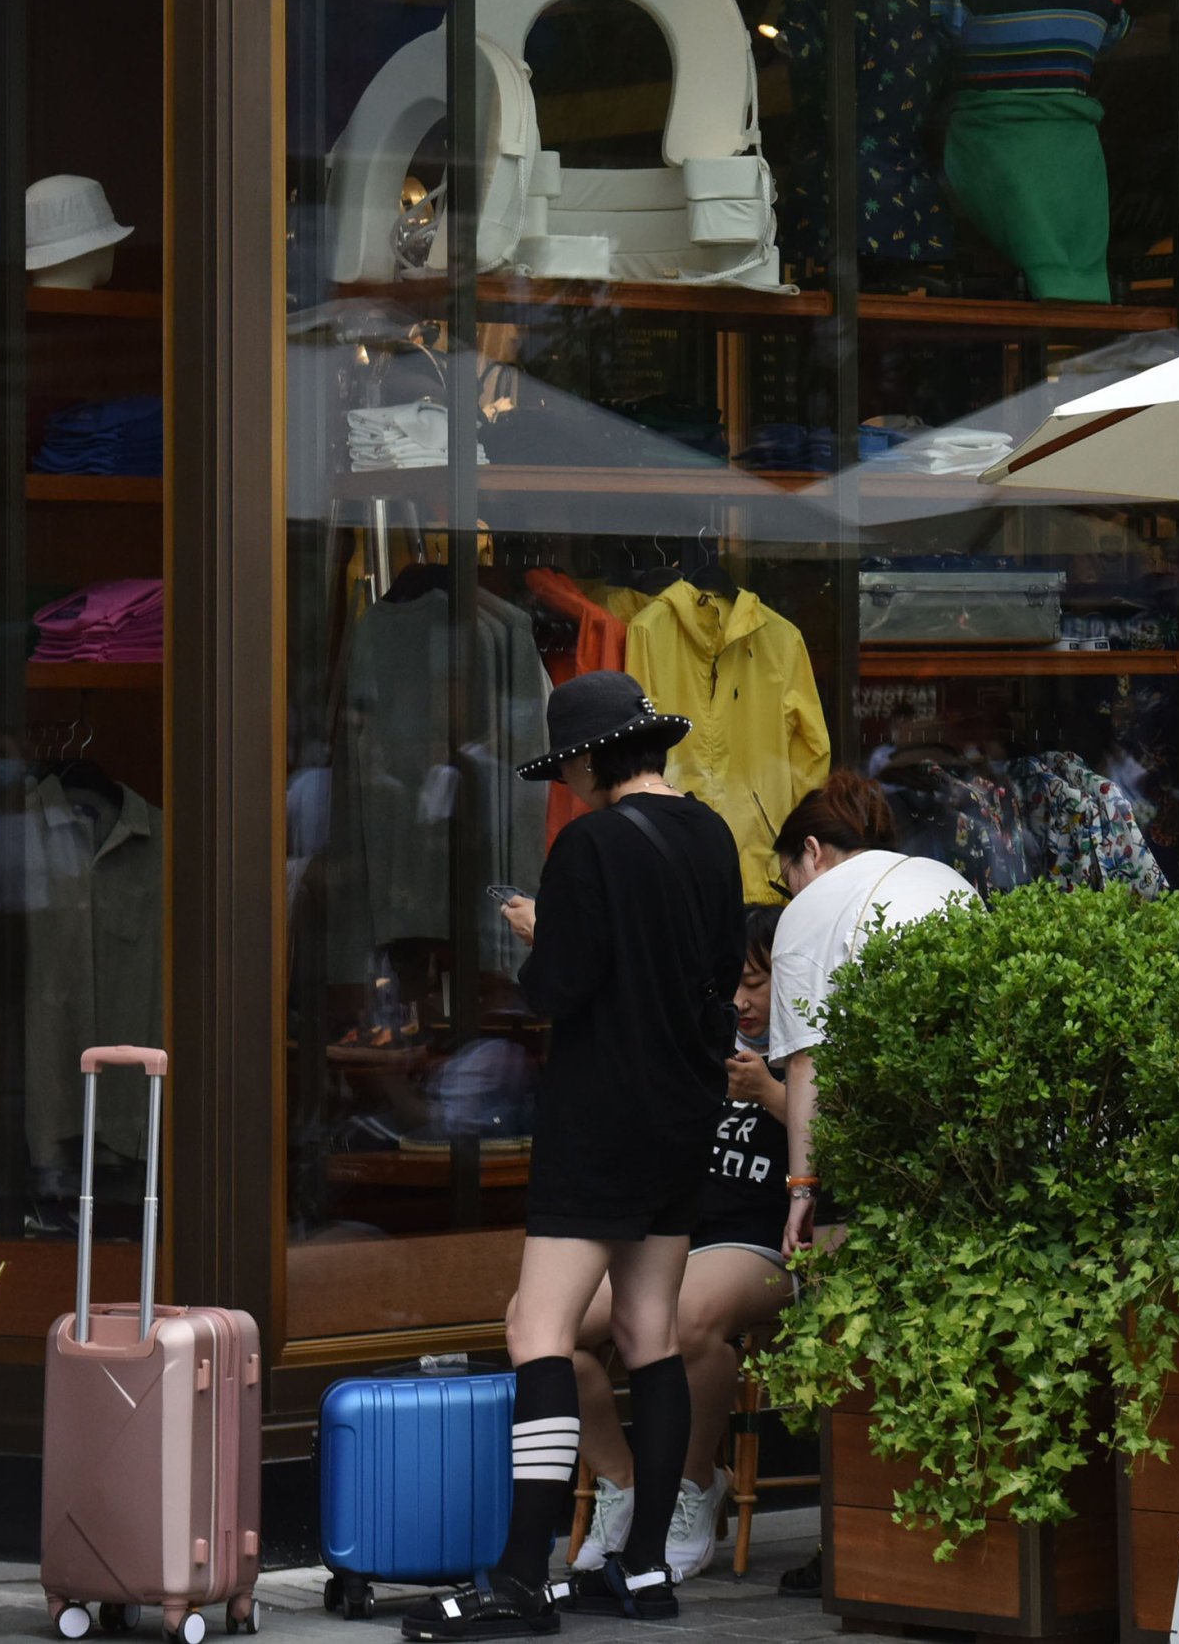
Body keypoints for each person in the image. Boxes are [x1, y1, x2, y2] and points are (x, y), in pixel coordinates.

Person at [408, 672, 747, 1636]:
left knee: (537, 1328)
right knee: (650, 1332)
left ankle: (518, 1575)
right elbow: (722, 969)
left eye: (572, 767)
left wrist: (535, 929)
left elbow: (558, 985)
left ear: (594, 759)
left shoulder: (587, 844)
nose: (571, 784)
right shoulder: (712, 834)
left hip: (599, 1116)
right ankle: (642, 1568)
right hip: (685, 1113)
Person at [569, 907, 794, 1586]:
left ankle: (694, 1487)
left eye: (758, 983)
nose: (743, 1001)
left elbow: (852, 1149)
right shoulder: (701, 1038)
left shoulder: (812, 1045)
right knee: (546, 1321)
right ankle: (628, 1483)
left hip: (764, 1240)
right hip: (676, 1232)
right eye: (734, 983)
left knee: (690, 1315)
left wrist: (772, 1094)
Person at [769, 774, 978, 1260]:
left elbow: (806, 1061)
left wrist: (802, 1187)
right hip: (970, 1129)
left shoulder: (809, 911)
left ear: (812, 850)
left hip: (882, 1137)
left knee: (845, 1290)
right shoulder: (943, 876)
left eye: (787, 880)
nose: (791, 895)